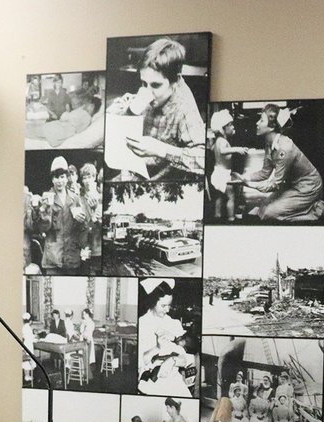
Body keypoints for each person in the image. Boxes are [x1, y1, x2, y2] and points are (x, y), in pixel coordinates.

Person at [111, 38, 205, 179]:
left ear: (176, 80)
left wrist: (161, 150)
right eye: (143, 83)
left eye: (155, 85)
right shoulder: (149, 90)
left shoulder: (184, 107)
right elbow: (112, 121)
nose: (147, 93)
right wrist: (129, 111)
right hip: (135, 171)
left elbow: (203, 159)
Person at [241, 107, 324, 222]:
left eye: (261, 120)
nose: (257, 123)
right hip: (293, 184)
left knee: (268, 213)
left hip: (308, 187)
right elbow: (265, 173)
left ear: (271, 127)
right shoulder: (269, 143)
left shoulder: (285, 148)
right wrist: (244, 178)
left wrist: (250, 185)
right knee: (263, 208)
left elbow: (275, 184)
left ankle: (315, 211)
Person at [32, 155, 92, 273]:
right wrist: (43, 210)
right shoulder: (46, 198)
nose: (59, 181)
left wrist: (82, 220)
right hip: (53, 258)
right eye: (56, 177)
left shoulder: (75, 198)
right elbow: (43, 228)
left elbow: (82, 229)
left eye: (62, 177)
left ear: (67, 178)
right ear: (52, 179)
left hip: (71, 256)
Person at [137, 278, 196, 397]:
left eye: (169, 305)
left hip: (174, 381)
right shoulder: (142, 323)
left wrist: (173, 361)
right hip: (150, 382)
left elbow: (188, 358)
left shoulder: (174, 323)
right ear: (152, 302)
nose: (167, 310)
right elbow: (142, 361)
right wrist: (157, 347)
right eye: (163, 305)